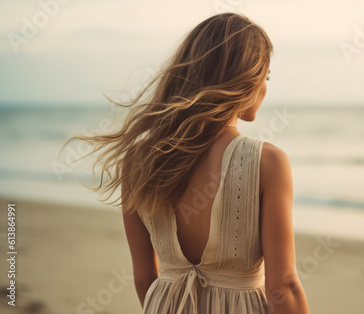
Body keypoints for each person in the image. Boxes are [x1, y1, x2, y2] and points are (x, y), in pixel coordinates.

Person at [67, 12, 309, 314]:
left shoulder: (138, 160)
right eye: (266, 76)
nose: (265, 88)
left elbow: (144, 279)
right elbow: (283, 287)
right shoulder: (267, 161)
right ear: (246, 78)